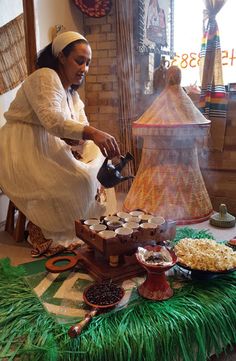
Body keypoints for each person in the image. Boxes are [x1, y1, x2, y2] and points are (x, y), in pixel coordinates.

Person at [0, 31, 120, 257]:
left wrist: (85, 142)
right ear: (61, 57)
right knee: (79, 181)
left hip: (50, 145)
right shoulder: (45, 76)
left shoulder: (72, 94)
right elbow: (53, 120)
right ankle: (57, 230)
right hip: (22, 148)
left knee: (98, 160)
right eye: (80, 61)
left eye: (88, 63)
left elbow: (80, 125)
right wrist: (90, 133)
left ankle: (91, 225)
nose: (84, 68)